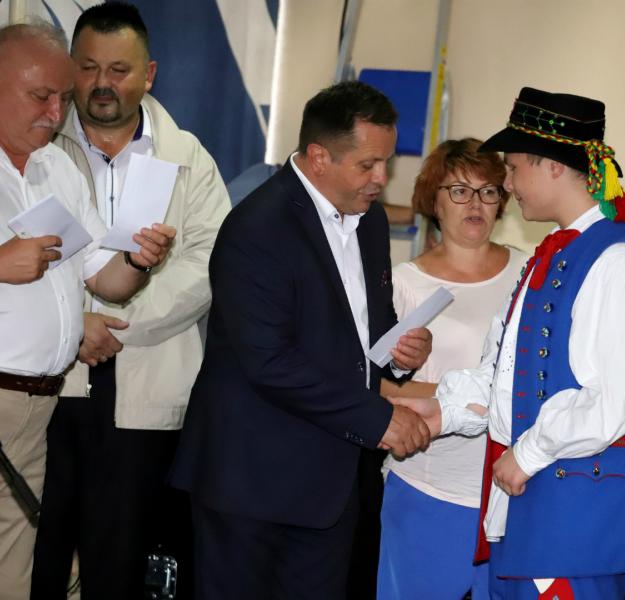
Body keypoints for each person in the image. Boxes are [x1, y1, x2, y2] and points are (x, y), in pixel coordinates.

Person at [395, 88, 625, 598]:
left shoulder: (621, 259)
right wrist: (441, 414)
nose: (506, 183)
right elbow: (510, 375)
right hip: (538, 512)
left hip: (580, 520)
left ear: (550, 165)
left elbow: (623, 394)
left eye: (512, 167)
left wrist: (528, 453)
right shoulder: (552, 254)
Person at [169, 80, 433, 600]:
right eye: (368, 165)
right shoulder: (256, 228)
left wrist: (400, 353)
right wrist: (378, 417)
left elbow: (366, 327)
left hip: (331, 481)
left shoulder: (370, 220)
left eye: (386, 163)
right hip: (252, 481)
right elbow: (268, 361)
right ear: (318, 158)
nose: (382, 180)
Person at [0, 22, 174, 600]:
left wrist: (139, 258)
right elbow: (1, 266)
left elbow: (107, 280)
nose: (56, 114)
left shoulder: (55, 168)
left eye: (63, 98)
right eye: (41, 96)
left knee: (1, 581)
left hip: (37, 410)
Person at [28, 4, 231, 599]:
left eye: (119, 70)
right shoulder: (38, 147)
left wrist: (114, 322)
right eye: (88, 67)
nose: (102, 83)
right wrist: (75, 325)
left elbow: (208, 263)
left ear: (150, 74)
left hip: (148, 383)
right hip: (49, 381)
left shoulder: (188, 157)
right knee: (32, 556)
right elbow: (22, 251)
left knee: (119, 564)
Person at [374, 138, 526, 600]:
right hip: (429, 486)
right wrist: (464, 397)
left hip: (513, 488)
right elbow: (374, 385)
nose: (475, 204)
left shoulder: (529, 271)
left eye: (487, 191)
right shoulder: (405, 283)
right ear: (433, 201)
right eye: (459, 191)